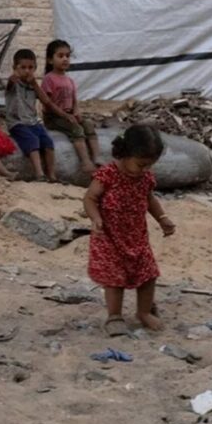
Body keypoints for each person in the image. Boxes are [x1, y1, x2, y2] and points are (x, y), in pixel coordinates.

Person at [83, 124, 176, 337]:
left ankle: (144, 312)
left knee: (148, 274)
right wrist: (95, 218)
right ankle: (114, 316)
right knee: (114, 279)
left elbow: (149, 199)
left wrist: (163, 219)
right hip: (109, 237)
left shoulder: (145, 178)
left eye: (149, 165)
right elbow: (90, 198)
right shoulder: (107, 175)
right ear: (125, 153)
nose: (145, 169)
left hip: (137, 237)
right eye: (141, 164)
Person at [42, 40, 101, 174]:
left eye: (67, 56)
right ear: (50, 60)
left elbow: (74, 100)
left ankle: (97, 157)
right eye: (60, 56)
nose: (65, 59)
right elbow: (48, 103)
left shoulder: (69, 80)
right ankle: (85, 162)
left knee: (88, 124)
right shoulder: (48, 79)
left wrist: (76, 112)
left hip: (68, 114)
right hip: (54, 117)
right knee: (76, 129)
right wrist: (65, 115)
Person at [5, 49, 64, 182]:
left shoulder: (33, 85)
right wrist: (13, 78)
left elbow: (45, 100)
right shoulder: (14, 83)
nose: (27, 71)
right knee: (32, 141)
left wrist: (34, 84)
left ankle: (52, 175)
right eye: (23, 67)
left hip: (33, 121)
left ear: (35, 68)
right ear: (15, 68)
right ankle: (39, 174)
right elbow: (9, 84)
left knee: (48, 143)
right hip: (17, 123)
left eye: (31, 67)